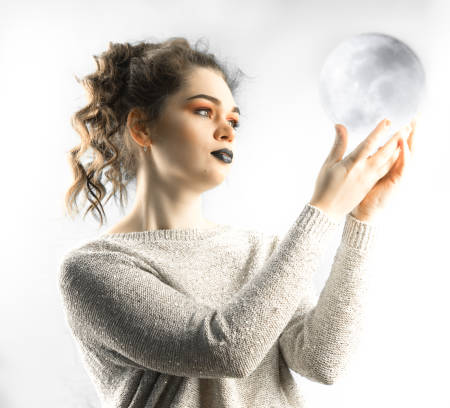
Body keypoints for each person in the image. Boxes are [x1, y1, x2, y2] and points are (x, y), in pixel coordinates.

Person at [58, 36, 415, 408]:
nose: (227, 130)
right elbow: (224, 351)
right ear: (142, 128)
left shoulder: (262, 251)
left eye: (233, 120)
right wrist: (323, 211)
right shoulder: (92, 269)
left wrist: (362, 219)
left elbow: (323, 360)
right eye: (202, 111)